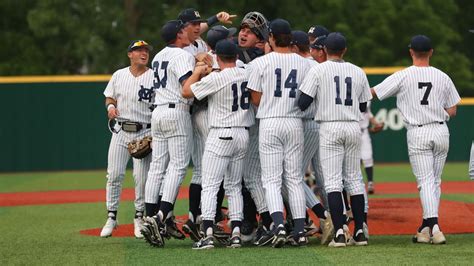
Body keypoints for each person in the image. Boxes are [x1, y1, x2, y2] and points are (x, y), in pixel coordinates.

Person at [372, 35, 460, 245]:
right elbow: (453, 110)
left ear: (411, 51)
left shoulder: (403, 76)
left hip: (418, 132)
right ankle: (425, 228)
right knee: (435, 182)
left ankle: (435, 227)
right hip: (441, 131)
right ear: (431, 52)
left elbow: (374, 92)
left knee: (426, 182)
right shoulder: (442, 76)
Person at [299, 32, 372, 247]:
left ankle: (340, 232)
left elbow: (303, 102)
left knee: (332, 181)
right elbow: (362, 106)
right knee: (354, 180)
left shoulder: (318, 70)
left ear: (324, 50)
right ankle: (360, 231)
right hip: (352, 126)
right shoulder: (358, 71)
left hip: (330, 126)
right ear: (345, 50)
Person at [182, 39, 254, 249]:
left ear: (217, 58)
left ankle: (208, 233)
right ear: (237, 56)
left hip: (221, 134)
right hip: (242, 134)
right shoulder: (245, 73)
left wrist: (197, 71)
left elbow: (186, 92)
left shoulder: (216, 77)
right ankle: (237, 234)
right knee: (233, 186)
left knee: (210, 185)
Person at [248, 18, 310, 247]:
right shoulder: (305, 64)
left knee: (272, 180)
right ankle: (301, 230)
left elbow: (255, 98)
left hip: (270, 121)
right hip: (294, 122)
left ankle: (279, 225)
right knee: (294, 178)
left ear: (271, 38)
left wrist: (272, 104)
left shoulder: (260, 63)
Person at [178, 8, 235, 242]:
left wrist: (214, 20)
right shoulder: (205, 56)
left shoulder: (198, 48)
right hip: (206, 114)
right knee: (212, 171)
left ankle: (196, 216)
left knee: (204, 170)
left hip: (200, 113)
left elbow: (198, 29)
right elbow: (191, 91)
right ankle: (201, 218)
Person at [141, 20, 195, 248]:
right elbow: (187, 86)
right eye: (183, 30)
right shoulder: (181, 55)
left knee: (157, 167)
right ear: (178, 35)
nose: (186, 32)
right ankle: (160, 216)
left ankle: (149, 217)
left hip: (158, 113)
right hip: (176, 110)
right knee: (178, 166)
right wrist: (202, 71)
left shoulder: (158, 57)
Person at [100, 40, 154, 238]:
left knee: (141, 179)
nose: (144, 53)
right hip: (121, 131)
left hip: (144, 132)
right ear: (130, 54)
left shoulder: (154, 76)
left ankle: (139, 217)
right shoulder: (119, 75)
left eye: (146, 50)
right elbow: (109, 97)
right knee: (114, 175)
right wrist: (110, 107)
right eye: (139, 50)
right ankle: (111, 217)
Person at [289, 30, 334, 245]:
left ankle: (325, 217)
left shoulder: (299, 65)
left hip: (306, 124)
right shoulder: (317, 66)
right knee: (325, 177)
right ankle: (339, 221)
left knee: (291, 177)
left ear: (295, 47)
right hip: (320, 124)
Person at [236, 11, 274, 244]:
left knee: (255, 176)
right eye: (242, 29)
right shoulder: (238, 52)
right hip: (249, 123)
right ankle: (259, 221)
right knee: (248, 176)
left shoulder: (263, 58)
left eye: (249, 31)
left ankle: (266, 222)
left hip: (261, 123)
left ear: (260, 37)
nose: (242, 34)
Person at [359, 101, 384, 194]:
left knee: (368, 157)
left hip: (364, 131)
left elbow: (368, 113)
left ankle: (370, 183)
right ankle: (353, 184)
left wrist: (376, 124)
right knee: (353, 160)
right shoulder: (350, 94)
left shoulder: (367, 98)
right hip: (352, 130)